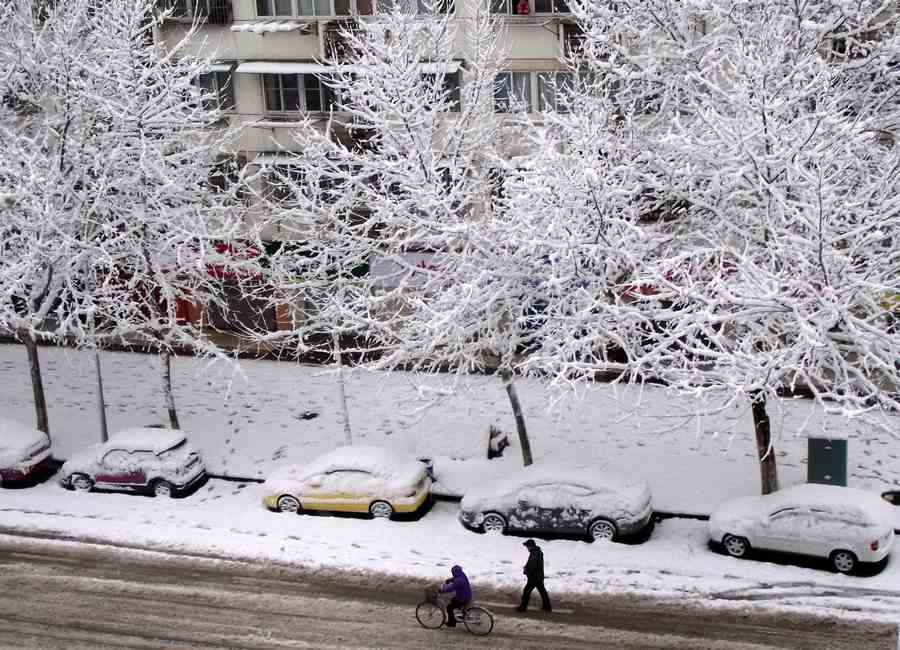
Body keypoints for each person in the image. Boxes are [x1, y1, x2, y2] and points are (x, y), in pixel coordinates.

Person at [517, 539, 551, 612]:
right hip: (539, 576)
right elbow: (532, 563)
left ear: (531, 546)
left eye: (527, 546)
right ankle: (547, 606)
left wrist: (526, 570)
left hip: (534, 577)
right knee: (542, 591)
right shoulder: (536, 552)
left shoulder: (535, 553)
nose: (527, 548)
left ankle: (523, 607)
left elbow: (532, 565)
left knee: (526, 591)